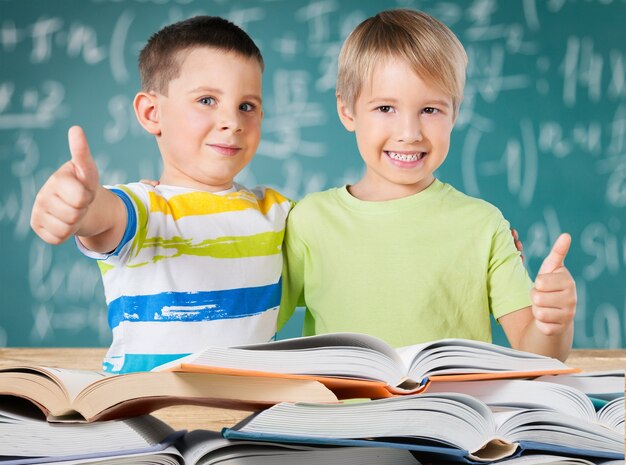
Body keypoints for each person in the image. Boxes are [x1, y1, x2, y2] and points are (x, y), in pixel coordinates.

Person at [278, 9, 576, 361]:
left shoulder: (483, 225)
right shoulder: (309, 221)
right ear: (347, 111)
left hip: (451, 414)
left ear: (455, 113)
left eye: (430, 110)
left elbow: (539, 354)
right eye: (386, 107)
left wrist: (553, 322)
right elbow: (249, 324)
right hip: (345, 417)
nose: (409, 133)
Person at [30, 16, 292, 374]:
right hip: (145, 416)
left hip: (245, 419)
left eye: (247, 106)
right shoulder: (143, 207)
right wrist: (78, 204)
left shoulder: (276, 211)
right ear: (152, 113)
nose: (233, 121)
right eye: (206, 100)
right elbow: (103, 214)